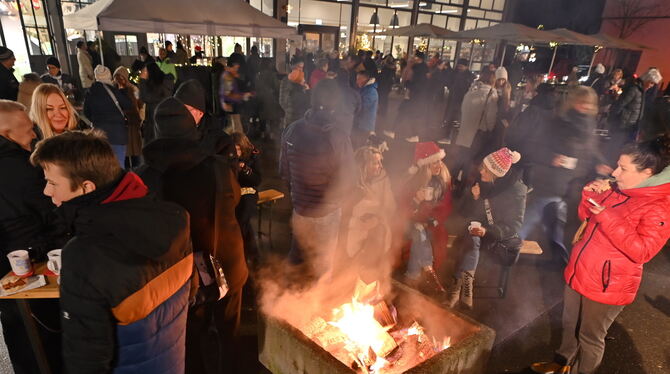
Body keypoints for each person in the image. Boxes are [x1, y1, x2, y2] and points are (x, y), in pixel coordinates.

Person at [30, 129, 193, 374]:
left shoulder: (84, 255)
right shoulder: (176, 219)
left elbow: (86, 358)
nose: (46, 191)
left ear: (86, 187)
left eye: (52, 183)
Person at [531, 137, 670, 374]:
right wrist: (588, 195)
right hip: (580, 270)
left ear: (646, 173)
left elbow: (643, 252)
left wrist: (608, 217)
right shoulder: (618, 188)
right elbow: (587, 216)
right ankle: (561, 363)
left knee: (590, 337)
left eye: (623, 168)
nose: (615, 172)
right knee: (568, 324)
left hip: (608, 284)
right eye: (617, 165)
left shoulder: (659, 206)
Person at [138, 98, 247, 374]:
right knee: (228, 332)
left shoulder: (146, 176)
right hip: (226, 263)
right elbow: (234, 201)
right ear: (191, 129)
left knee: (188, 336)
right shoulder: (218, 167)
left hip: (182, 274)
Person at [0, 100, 62, 374]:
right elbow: (50, 212)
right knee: (43, 337)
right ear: (6, 133)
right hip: (32, 261)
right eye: (27, 129)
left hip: (8, 267)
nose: (34, 134)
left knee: (20, 336)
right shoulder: (19, 168)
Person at [520, 86, 610, 263]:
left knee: (554, 216)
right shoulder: (559, 121)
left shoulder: (589, 123)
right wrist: (552, 158)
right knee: (541, 211)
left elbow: (590, 148)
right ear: (574, 101)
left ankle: (557, 254)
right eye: (581, 102)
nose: (584, 106)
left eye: (588, 103)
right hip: (552, 178)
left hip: (572, 181)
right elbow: (536, 147)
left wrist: (600, 162)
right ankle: (514, 241)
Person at [279, 79, 355, 279]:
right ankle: (316, 306)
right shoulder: (338, 136)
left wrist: (298, 194)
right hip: (327, 213)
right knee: (323, 266)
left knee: (297, 255)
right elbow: (348, 179)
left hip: (300, 209)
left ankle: (284, 297)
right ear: (335, 104)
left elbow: (284, 171)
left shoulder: (292, 130)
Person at [446, 148, 526, 309]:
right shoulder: (483, 181)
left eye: (486, 170)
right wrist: (474, 198)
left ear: (497, 173)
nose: (481, 171)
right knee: (471, 238)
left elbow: (515, 225)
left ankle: (458, 288)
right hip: (477, 232)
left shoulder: (517, 191)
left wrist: (488, 231)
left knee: (470, 241)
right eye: (482, 167)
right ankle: (464, 286)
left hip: (497, 235)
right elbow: (465, 213)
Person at [340, 146, 396, 283]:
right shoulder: (351, 183)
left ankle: (369, 282)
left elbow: (390, 206)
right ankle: (349, 283)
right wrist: (358, 223)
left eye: (380, 162)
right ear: (364, 165)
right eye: (376, 162)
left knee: (378, 234)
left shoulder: (383, 179)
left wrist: (377, 219)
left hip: (376, 225)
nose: (380, 166)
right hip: (352, 227)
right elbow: (340, 213)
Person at [402, 142, 452, 294]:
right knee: (418, 232)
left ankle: (412, 278)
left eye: (439, 161)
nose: (439, 165)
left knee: (421, 237)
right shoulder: (413, 182)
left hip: (431, 225)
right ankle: (428, 271)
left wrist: (434, 220)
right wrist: (416, 200)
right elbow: (403, 212)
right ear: (425, 166)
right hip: (409, 224)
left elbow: (446, 208)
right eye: (434, 162)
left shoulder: (442, 181)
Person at [449, 70, 498, 192]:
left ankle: (447, 183)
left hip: (464, 131)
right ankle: (460, 189)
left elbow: (463, 109)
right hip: (477, 134)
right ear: (493, 80)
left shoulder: (471, 90)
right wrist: (490, 129)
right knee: (469, 162)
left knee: (460, 158)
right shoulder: (490, 93)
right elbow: (490, 117)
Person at [84, 65, 132, 166]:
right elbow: (128, 105)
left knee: (102, 167)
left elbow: (86, 112)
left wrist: (96, 120)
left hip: (99, 136)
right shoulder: (114, 91)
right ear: (109, 76)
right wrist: (123, 90)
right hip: (117, 135)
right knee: (119, 167)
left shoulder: (90, 92)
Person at [175, 79, 235, 159]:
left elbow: (229, 168)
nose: (179, 112)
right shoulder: (167, 135)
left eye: (186, 109)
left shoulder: (221, 142)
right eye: (177, 108)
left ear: (200, 113)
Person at [609, 69, 663, 148]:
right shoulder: (634, 89)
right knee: (614, 148)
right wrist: (613, 121)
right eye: (651, 83)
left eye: (653, 84)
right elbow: (619, 105)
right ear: (646, 79)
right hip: (623, 126)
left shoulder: (642, 91)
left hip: (630, 127)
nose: (651, 86)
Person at [232, 132, 261, 267]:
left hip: (248, 192)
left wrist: (245, 170)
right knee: (243, 224)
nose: (235, 152)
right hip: (233, 193)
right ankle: (253, 256)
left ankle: (242, 256)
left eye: (238, 149)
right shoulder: (229, 158)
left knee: (242, 219)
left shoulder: (252, 157)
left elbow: (257, 180)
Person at [113, 66, 143, 168]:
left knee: (135, 153)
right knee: (124, 154)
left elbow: (139, 106)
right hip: (121, 126)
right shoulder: (113, 91)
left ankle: (136, 173)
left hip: (132, 124)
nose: (118, 80)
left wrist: (140, 119)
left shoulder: (133, 89)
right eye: (116, 77)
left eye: (120, 77)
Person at [139, 62, 174, 144]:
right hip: (164, 121)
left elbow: (145, 97)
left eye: (144, 71)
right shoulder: (165, 82)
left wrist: (142, 81)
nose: (142, 73)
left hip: (154, 121)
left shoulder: (159, 86)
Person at [444, 58, 476, 139]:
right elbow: (449, 83)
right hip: (453, 99)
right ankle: (447, 135)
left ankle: (455, 137)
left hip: (463, 100)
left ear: (466, 67)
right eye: (459, 66)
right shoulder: (455, 74)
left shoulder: (470, 76)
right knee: (450, 118)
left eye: (461, 66)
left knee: (459, 119)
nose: (459, 68)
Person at [254, 59, 282, 140]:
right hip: (271, 98)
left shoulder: (258, 75)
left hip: (261, 98)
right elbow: (277, 87)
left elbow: (256, 87)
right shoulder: (272, 75)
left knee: (262, 116)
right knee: (272, 116)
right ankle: (271, 134)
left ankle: (262, 133)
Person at [279, 59, 310, 129]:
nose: (301, 69)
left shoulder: (302, 79)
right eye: (299, 67)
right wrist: (289, 110)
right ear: (293, 67)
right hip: (292, 117)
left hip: (300, 116)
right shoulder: (286, 81)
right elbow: (282, 100)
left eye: (302, 67)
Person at [220, 59, 248, 133]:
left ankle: (226, 138)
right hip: (232, 104)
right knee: (236, 125)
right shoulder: (228, 76)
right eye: (235, 68)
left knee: (233, 125)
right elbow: (227, 93)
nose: (237, 69)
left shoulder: (230, 76)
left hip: (233, 104)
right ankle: (238, 142)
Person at [352, 69, 378, 148]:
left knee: (359, 147)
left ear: (365, 79)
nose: (357, 81)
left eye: (359, 79)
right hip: (359, 124)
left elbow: (362, 107)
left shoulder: (371, 91)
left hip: (364, 126)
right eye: (357, 79)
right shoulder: (363, 89)